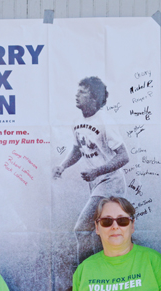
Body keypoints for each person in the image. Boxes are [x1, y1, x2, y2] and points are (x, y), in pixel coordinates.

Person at [53, 76, 129, 265]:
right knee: (97, 235)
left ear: (94, 98)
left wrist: (97, 172)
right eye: (77, 91)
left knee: (81, 230)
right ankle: (99, 275)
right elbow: (78, 149)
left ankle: (83, 276)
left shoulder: (105, 121)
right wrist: (62, 166)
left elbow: (123, 156)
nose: (76, 95)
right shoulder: (76, 121)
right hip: (96, 184)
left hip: (111, 183)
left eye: (82, 92)